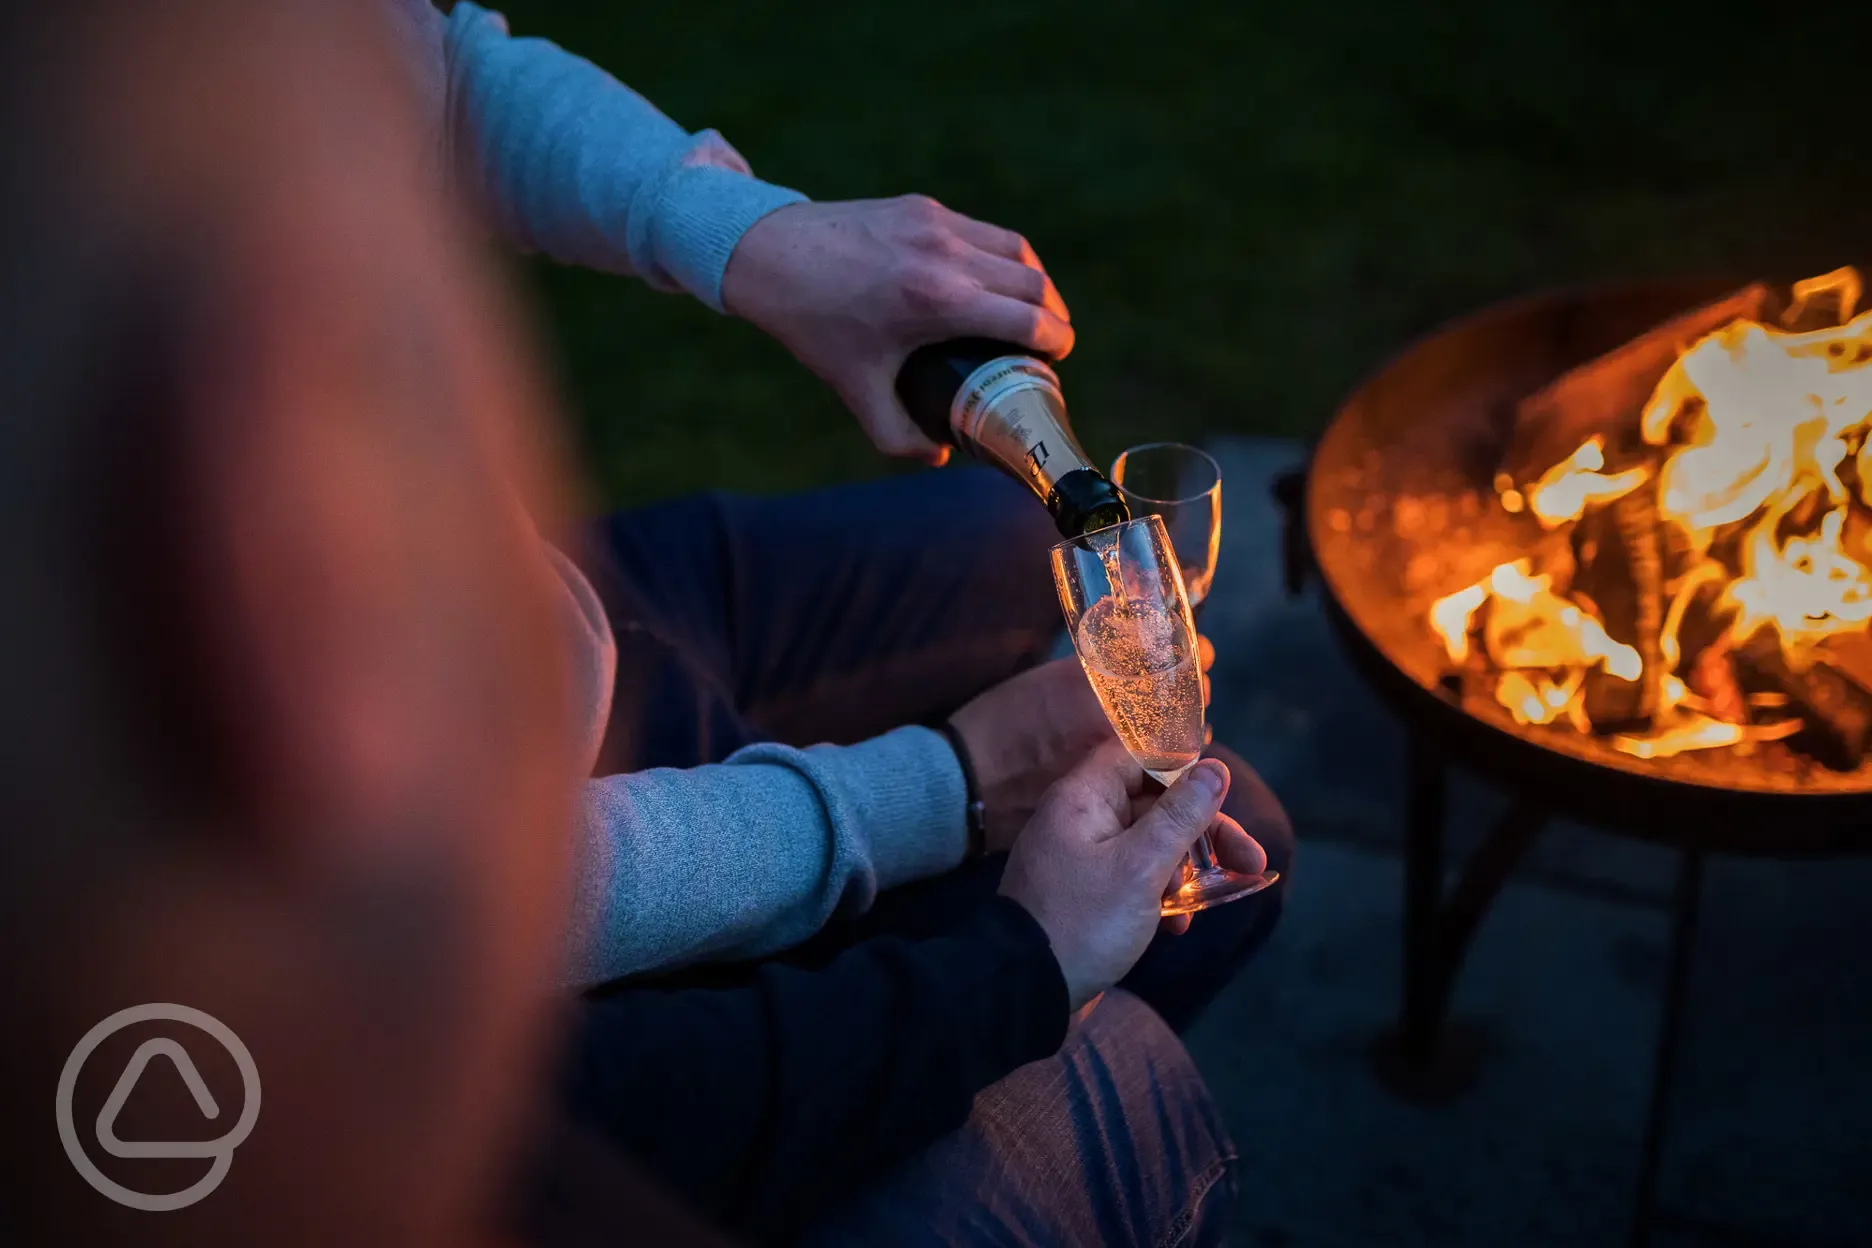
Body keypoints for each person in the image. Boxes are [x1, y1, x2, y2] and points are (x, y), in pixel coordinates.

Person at [373, 3, 1298, 1242]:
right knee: (1122, 1072)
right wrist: (952, 788)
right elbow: (430, 893)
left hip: (563, 614)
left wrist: (757, 238)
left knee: (1001, 536)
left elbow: (429, 71)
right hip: (501, 995)